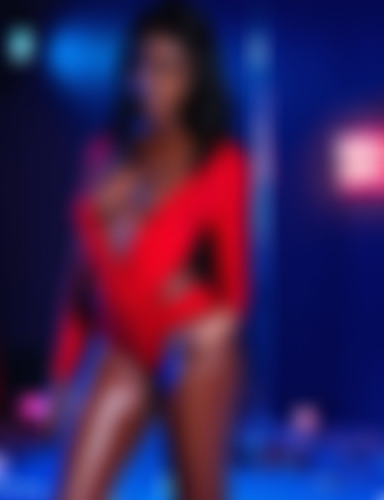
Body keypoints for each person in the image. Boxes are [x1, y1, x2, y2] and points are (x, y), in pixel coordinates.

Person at [52, 4, 249, 499]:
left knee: (200, 492)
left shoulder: (219, 160)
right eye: (145, 63)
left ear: (194, 80)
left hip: (189, 352)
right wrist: (62, 371)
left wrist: (218, 323)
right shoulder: (103, 152)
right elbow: (79, 278)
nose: (154, 80)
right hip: (121, 349)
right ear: (129, 71)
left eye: (171, 68)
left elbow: (235, 280)